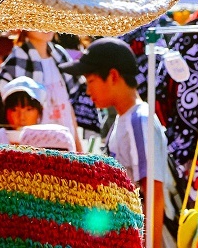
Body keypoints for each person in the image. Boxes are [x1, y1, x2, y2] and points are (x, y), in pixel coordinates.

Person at [62, 38, 175, 248]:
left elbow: (154, 194)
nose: (88, 91)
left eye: (91, 81)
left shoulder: (139, 120)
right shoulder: (123, 120)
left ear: (113, 76)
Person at [0, 30, 83, 151]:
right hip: (35, 150)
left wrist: (78, 146)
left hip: (65, 144)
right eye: (38, 23)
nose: (45, 27)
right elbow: (9, 111)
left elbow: (67, 106)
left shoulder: (60, 55)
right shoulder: (17, 59)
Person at [0, 76, 75, 151]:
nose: (21, 117)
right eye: (14, 110)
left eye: (29, 109)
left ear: (39, 111)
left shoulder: (52, 138)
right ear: (6, 112)